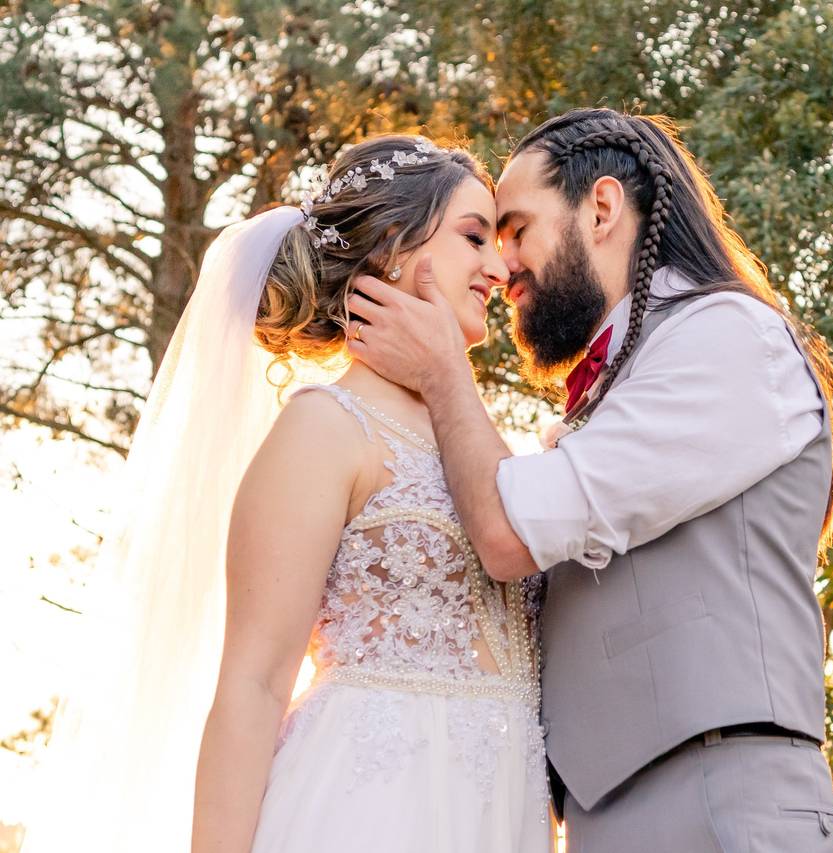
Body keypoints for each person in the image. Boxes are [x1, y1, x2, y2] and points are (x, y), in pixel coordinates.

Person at [23, 135, 549, 853]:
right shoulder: (324, 426)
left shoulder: (477, 440)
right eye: (473, 236)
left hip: (491, 813)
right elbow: (255, 683)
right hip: (365, 809)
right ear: (393, 245)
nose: (499, 265)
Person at [347, 109, 833, 852]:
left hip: (718, 801)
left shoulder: (725, 335)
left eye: (516, 228)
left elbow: (509, 533)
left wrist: (444, 373)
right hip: (611, 812)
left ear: (602, 208)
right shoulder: (624, 378)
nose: (503, 262)